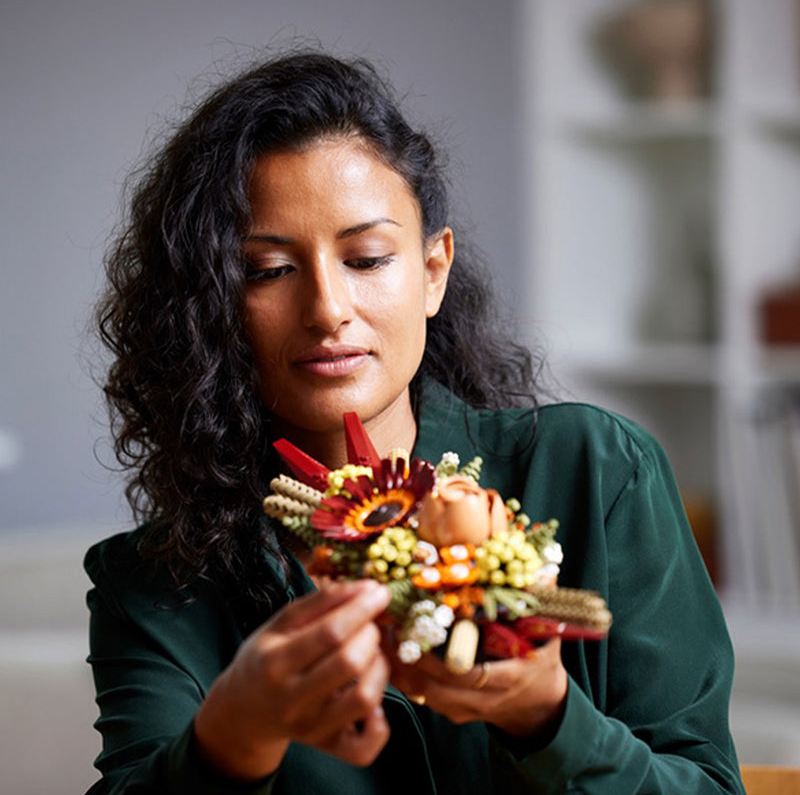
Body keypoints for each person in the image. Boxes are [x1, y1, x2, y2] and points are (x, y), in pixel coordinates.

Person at [85, 50, 745, 794]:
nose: (329, 309)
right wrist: (233, 737)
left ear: (433, 271)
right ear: (210, 307)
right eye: (267, 270)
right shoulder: (151, 586)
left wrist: (551, 719)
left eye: (366, 258)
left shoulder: (595, 470)